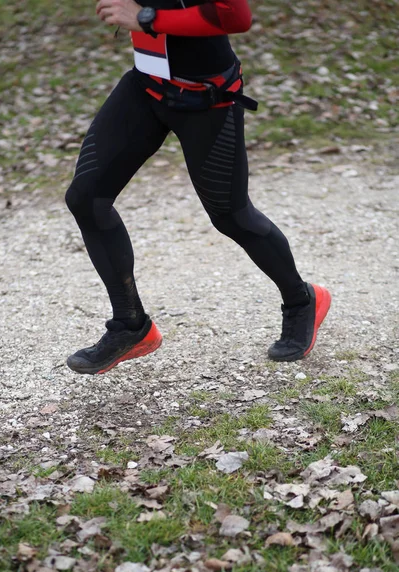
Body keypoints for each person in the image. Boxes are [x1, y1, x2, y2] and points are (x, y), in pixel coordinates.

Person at [65, 0, 331, 375]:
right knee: (86, 198)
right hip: (146, 86)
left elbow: (236, 16)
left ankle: (302, 300)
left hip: (207, 96)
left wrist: (144, 18)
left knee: (231, 216)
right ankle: (131, 326)